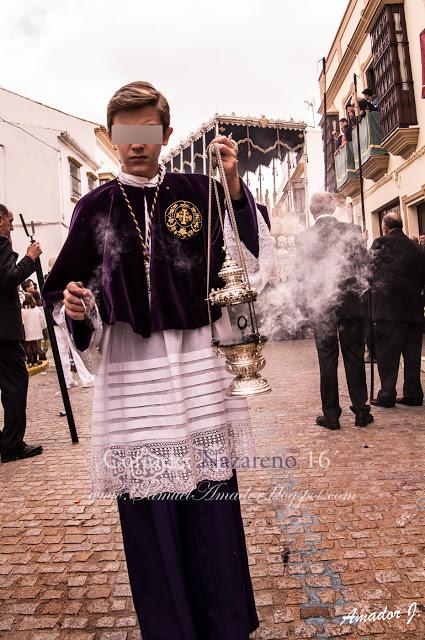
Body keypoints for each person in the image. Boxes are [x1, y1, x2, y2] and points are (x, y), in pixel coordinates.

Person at [43, 80, 274, 640]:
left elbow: (250, 263)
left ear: (166, 134)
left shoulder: (202, 191)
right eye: (126, 133)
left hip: (196, 366)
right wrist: (77, 306)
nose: (136, 144)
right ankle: (171, 629)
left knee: (210, 501)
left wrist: (235, 186)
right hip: (133, 373)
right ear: (113, 138)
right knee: (150, 510)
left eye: (147, 131)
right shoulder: (93, 206)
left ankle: (225, 622)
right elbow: (66, 292)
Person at [294, 192, 373, 430]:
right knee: (355, 358)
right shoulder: (352, 230)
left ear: (312, 210)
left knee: (327, 361)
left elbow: (301, 276)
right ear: (334, 207)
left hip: (322, 307)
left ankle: (331, 415)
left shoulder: (304, 238)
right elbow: (365, 268)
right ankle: (361, 411)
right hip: (351, 305)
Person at [0, 204, 43, 462]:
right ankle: (12, 444)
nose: (13, 226)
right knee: (16, 384)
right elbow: (9, 277)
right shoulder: (1, 243)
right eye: (9, 221)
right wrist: (29, 257)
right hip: (3, 330)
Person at [370, 212, 425, 407]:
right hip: (414, 311)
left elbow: (370, 272)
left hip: (388, 310)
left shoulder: (380, 244)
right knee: (412, 356)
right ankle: (414, 394)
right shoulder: (417, 248)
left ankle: (387, 394)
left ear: (385, 227)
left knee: (387, 355)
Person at [47, 255, 95, 389]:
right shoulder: (59, 278)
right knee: (74, 348)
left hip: (55, 319)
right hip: (64, 317)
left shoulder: (49, 280)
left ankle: (67, 380)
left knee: (62, 351)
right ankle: (85, 378)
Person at [21, 292, 47, 366]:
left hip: (27, 330)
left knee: (28, 345)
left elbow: (21, 321)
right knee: (34, 345)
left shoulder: (22, 310)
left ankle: (29, 362)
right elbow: (41, 319)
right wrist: (42, 328)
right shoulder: (36, 309)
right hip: (36, 329)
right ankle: (35, 361)